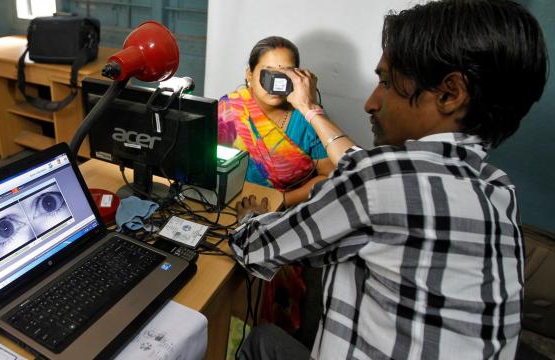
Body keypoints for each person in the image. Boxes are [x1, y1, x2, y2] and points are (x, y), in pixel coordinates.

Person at [230, 0, 548, 359]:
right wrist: (310, 107)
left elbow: (255, 247)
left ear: (449, 93)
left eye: (385, 82)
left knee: (260, 339)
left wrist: (248, 219)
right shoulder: (498, 188)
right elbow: (362, 165)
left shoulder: (381, 180)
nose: (370, 102)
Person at [218, 36, 335, 207]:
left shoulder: (308, 117)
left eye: (284, 74)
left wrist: (281, 202)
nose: (275, 83)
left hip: (289, 211)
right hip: (229, 203)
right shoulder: (229, 109)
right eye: (268, 73)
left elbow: (329, 176)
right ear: (249, 75)